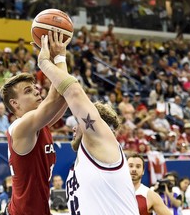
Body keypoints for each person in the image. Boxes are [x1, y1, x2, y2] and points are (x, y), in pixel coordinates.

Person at [37, 31, 139, 214]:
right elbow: (65, 92)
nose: (75, 126)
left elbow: (74, 93)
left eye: (79, 121)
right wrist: (60, 56)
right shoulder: (87, 156)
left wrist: (44, 63)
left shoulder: (101, 138)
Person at [0, 30, 69, 215]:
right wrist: (56, 59)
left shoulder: (39, 124)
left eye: (35, 88)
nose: (37, 92)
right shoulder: (22, 127)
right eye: (28, 91)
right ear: (14, 104)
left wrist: (57, 59)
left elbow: (64, 94)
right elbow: (61, 91)